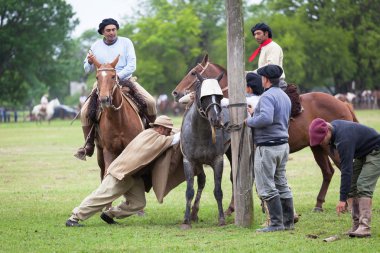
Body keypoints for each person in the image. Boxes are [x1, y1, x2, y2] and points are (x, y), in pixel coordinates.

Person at [66, 115, 180, 227]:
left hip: (133, 176)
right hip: (121, 173)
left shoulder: (153, 135)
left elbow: (173, 136)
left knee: (138, 203)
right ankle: (74, 218)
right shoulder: (152, 137)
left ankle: (109, 214)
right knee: (101, 197)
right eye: (168, 130)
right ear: (161, 128)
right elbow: (173, 140)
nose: (169, 133)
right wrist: (185, 132)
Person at [75, 18, 157, 160]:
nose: (112, 32)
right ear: (102, 32)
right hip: (103, 82)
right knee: (84, 111)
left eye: (114, 29)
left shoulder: (126, 42)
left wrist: (116, 77)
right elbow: (86, 68)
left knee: (150, 102)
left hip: (125, 79)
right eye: (108, 30)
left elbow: (132, 65)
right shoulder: (95, 46)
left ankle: (153, 136)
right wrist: (88, 62)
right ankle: (89, 144)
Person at [309, 118, 380, 238]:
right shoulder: (333, 129)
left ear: (327, 132)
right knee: (352, 185)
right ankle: (356, 225)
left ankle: (365, 226)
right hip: (362, 153)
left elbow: (346, 170)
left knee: (363, 184)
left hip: (376, 151)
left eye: (321, 140)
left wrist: (342, 200)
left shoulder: (344, 139)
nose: (321, 144)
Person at [245, 64, 294, 232]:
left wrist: (249, 121)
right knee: (281, 183)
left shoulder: (266, 97)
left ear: (265, 79)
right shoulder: (284, 96)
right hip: (282, 145)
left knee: (266, 185)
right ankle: (288, 222)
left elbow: (266, 118)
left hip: (268, 146)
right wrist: (255, 114)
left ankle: (276, 223)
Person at [249, 23, 286, 89]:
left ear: (266, 33)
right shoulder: (264, 47)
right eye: (255, 34)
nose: (256, 37)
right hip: (266, 83)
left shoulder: (273, 47)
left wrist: (251, 73)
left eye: (258, 33)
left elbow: (271, 67)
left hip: (276, 84)